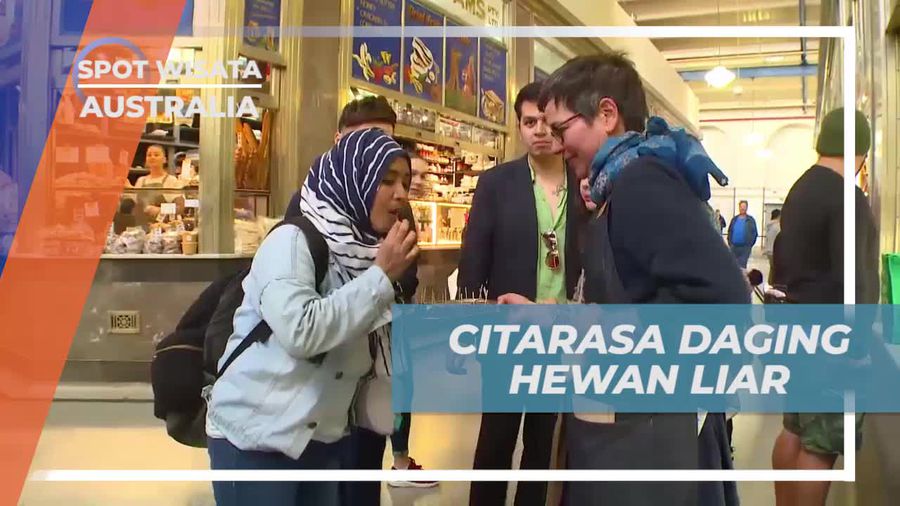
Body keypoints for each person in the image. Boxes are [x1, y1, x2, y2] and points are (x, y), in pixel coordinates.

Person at [532, 52, 746, 506]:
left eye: (561, 130)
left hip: (652, 444)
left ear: (607, 114)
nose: (555, 144)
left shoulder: (642, 183)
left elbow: (726, 300)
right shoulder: (619, 184)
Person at [205, 129, 418, 505]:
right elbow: (301, 331)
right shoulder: (292, 241)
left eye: (405, 181)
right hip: (257, 437)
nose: (401, 193)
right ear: (352, 181)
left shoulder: (366, 254)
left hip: (322, 438)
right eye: (387, 180)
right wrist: (380, 278)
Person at [458, 82, 584, 506]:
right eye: (529, 122)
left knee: (543, 443)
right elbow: (474, 258)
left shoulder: (583, 183)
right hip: (506, 333)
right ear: (519, 127)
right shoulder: (497, 184)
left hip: (562, 331)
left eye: (547, 121)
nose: (539, 131)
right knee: (496, 437)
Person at [771, 108, 877, 506]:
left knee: (794, 429)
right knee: (821, 446)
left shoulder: (800, 191)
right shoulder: (849, 198)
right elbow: (855, 278)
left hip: (796, 329)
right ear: (860, 152)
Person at [133, 144, 184, 220]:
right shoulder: (140, 180)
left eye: (156, 155)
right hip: (142, 225)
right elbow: (135, 206)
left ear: (164, 160)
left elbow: (180, 208)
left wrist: (160, 210)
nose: (152, 157)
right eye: (149, 155)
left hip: (164, 225)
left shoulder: (171, 180)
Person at [727, 200, 758, 268]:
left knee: (742, 267)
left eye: (744, 206)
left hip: (745, 248)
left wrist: (749, 245)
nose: (742, 208)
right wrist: (730, 243)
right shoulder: (734, 219)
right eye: (741, 206)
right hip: (734, 247)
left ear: (747, 208)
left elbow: (755, 233)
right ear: (739, 207)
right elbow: (730, 231)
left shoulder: (750, 220)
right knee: (733, 267)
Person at [764, 209, 781, 284]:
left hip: (769, 250)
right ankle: (773, 283)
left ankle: (770, 283)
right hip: (775, 251)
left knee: (772, 268)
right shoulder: (777, 227)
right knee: (775, 269)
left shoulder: (769, 226)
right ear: (778, 216)